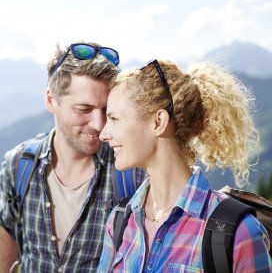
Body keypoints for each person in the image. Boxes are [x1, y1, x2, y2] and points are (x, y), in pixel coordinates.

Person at [98, 59, 272, 272]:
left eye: (114, 119)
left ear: (158, 122)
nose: (103, 134)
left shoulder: (239, 234)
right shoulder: (119, 223)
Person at [0, 42, 146, 273]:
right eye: (84, 109)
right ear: (51, 100)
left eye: (106, 110)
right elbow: (7, 226)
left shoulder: (131, 172)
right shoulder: (19, 165)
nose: (99, 124)